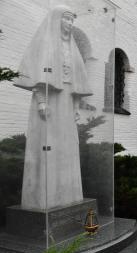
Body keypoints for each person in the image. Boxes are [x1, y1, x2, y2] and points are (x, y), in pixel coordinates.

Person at [14, 5, 92, 210]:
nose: (70, 24)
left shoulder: (72, 48)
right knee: (48, 145)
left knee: (66, 146)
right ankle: (45, 199)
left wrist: (76, 107)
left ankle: (67, 195)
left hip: (66, 100)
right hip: (49, 99)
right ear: (56, 20)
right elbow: (37, 78)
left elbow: (77, 84)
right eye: (67, 19)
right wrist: (41, 100)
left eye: (72, 20)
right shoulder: (43, 43)